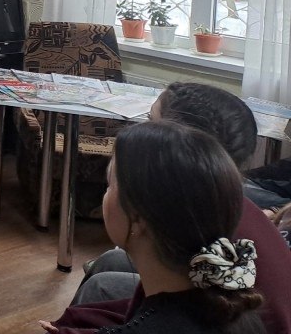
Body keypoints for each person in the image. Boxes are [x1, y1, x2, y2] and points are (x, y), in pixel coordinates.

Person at [45, 83, 291, 333]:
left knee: (100, 287)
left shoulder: (198, 220)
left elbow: (174, 313)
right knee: (110, 262)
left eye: (152, 122)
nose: (143, 130)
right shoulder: (213, 204)